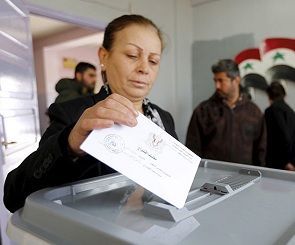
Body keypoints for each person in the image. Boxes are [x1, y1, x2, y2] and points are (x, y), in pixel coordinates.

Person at [4, 15, 177, 213]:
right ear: (104, 56)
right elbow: (13, 196)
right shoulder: (71, 114)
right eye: (131, 55)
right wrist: (69, 144)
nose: (144, 68)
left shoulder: (164, 118)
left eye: (154, 61)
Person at [186, 59, 266, 165]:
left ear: (236, 80)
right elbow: (193, 149)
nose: (217, 86)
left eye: (221, 80)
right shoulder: (203, 111)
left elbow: (261, 151)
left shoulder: (254, 112)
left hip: (245, 178)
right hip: (211, 177)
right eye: (215, 81)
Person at [265, 81, 295, 171]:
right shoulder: (290, 111)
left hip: (277, 163)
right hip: (291, 163)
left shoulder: (270, 111)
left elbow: (284, 135)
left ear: (269, 96)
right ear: (284, 95)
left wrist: (285, 162)